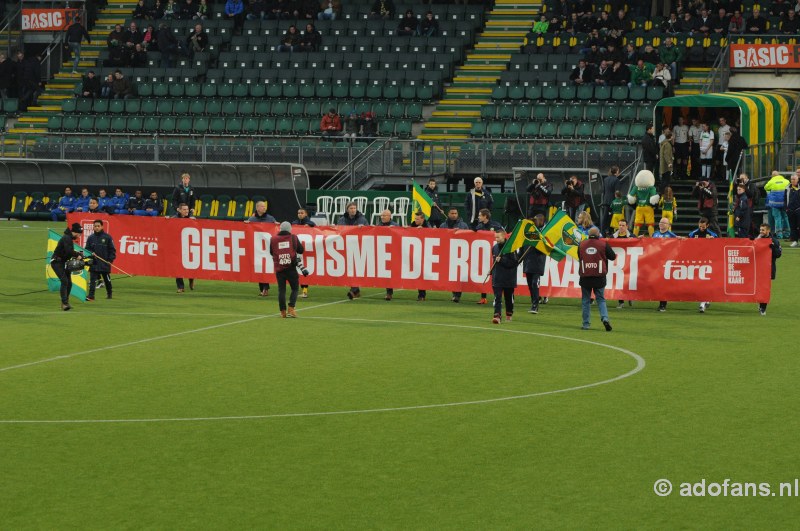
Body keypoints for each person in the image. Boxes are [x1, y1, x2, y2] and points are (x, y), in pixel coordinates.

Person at [578, 227, 615, 331]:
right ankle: (605, 318)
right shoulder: (603, 244)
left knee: (585, 300)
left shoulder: (581, 244)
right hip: (599, 277)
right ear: (598, 234)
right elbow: (613, 256)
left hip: (585, 277)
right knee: (601, 299)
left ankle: (586, 324)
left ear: (588, 235)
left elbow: (579, 257)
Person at [270, 221, 305, 318]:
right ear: (290, 229)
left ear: (280, 229)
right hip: (291, 268)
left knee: (281, 290)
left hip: (279, 268)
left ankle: (282, 312)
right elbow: (301, 250)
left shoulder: (273, 239)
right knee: (295, 289)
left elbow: (271, 252)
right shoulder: (293, 237)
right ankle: (291, 308)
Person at [246, 200, 277, 296]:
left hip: (267, 248)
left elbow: (275, 228)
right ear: (257, 208)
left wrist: (276, 224)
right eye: (262, 206)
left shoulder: (270, 218)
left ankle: (265, 288)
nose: (264, 208)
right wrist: (245, 225)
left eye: (265, 206)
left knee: (266, 267)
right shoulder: (252, 219)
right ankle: (262, 288)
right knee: (259, 267)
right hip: (256, 248)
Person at [338, 202, 368, 299]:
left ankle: (354, 290)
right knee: (350, 269)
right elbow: (338, 231)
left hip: (358, 247)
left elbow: (369, 231)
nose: (353, 210)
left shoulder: (362, 219)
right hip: (346, 247)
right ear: (347, 209)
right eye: (351, 208)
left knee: (355, 268)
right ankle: (356, 290)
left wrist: (363, 229)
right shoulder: (341, 220)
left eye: (354, 208)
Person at [50, 222, 84, 311]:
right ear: (76, 232)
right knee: (65, 281)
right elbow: (69, 251)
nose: (79, 236)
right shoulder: (67, 238)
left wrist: (78, 254)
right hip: (57, 262)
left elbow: (69, 252)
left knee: (69, 282)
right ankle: (64, 303)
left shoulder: (68, 238)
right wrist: (77, 255)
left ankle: (65, 302)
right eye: (79, 234)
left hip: (63, 262)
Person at [439, 207, 469, 302]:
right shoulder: (443, 225)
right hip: (447, 252)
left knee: (458, 274)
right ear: (448, 214)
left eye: (455, 213)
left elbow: (469, 237)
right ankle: (454, 293)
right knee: (450, 274)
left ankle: (457, 295)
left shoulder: (463, 225)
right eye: (452, 213)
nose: (454, 215)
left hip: (460, 254)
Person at [688, 217, 717, 313]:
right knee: (699, 283)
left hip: (709, 262)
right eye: (700, 226)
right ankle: (705, 301)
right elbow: (686, 245)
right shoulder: (693, 234)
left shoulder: (712, 235)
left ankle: (703, 303)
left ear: (707, 226)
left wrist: (714, 240)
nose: (701, 228)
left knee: (706, 283)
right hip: (696, 262)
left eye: (703, 227)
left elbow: (719, 244)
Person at [475, 208, 503, 304]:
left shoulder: (496, 225)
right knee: (484, 274)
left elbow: (504, 235)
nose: (478, 217)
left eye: (480, 215)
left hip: (495, 254)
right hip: (484, 255)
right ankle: (483, 297)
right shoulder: (479, 227)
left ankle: (497, 298)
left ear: (485, 216)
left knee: (496, 276)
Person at [490, 230, 518, 324]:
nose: (496, 239)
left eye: (498, 237)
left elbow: (514, 263)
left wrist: (502, 260)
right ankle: (497, 316)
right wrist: (491, 271)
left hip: (508, 278)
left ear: (503, 236)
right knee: (497, 297)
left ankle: (509, 314)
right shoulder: (494, 248)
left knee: (508, 298)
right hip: (497, 277)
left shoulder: (511, 248)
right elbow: (495, 262)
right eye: (495, 237)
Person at [85, 220, 116, 301]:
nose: (97, 228)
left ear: (102, 226)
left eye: (98, 226)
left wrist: (110, 260)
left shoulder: (108, 237)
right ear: (93, 227)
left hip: (105, 262)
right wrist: (91, 253)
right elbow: (87, 249)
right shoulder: (90, 238)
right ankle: (91, 296)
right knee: (92, 280)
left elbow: (112, 250)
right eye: (95, 226)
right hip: (94, 263)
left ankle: (109, 293)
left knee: (107, 280)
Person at [652, 217, 678, 311]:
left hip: (666, 263)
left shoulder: (671, 235)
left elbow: (678, 246)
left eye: (664, 223)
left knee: (663, 284)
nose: (661, 224)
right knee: (656, 283)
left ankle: (663, 304)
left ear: (668, 225)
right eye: (660, 222)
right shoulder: (655, 234)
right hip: (655, 262)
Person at [756, 223, 782, 316]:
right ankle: (760, 303)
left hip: (768, 269)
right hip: (757, 269)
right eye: (760, 229)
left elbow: (779, 254)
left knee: (764, 288)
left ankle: (763, 308)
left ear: (768, 231)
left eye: (763, 230)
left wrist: (773, 248)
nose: (761, 231)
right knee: (758, 288)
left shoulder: (774, 241)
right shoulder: (757, 239)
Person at [523, 214, 547, 314]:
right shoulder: (527, 233)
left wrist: (536, 245)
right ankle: (534, 300)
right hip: (528, 262)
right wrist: (519, 259)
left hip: (537, 263)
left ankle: (535, 305)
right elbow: (523, 247)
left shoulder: (542, 234)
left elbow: (544, 250)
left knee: (534, 283)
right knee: (530, 285)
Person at [375, 209, 398, 300]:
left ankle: (389, 293)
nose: (382, 217)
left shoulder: (395, 226)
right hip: (382, 252)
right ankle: (389, 293)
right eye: (382, 215)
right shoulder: (378, 225)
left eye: (384, 216)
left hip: (393, 252)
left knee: (391, 273)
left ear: (390, 216)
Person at [173, 203, 196, 292]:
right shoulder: (174, 218)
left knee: (190, 266)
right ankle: (180, 287)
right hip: (178, 246)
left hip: (189, 246)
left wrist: (194, 221)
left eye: (187, 209)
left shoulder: (191, 218)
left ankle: (191, 279)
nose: (186, 211)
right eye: (184, 209)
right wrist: (166, 220)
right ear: (179, 210)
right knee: (177, 266)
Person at [611, 219, 634, 308]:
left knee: (628, 282)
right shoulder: (613, 237)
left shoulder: (631, 236)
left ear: (627, 226)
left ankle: (630, 297)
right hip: (618, 264)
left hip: (629, 263)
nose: (621, 227)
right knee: (619, 282)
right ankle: (621, 302)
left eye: (623, 225)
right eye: (620, 225)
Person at [409, 211, 431, 301]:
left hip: (426, 253)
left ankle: (422, 295)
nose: (416, 220)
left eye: (417, 219)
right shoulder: (413, 225)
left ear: (422, 219)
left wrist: (424, 230)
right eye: (415, 218)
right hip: (416, 253)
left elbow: (434, 233)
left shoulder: (428, 225)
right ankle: (421, 294)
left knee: (422, 274)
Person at [764, 171, 791, 239]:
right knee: (785, 217)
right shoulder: (786, 181)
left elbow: (766, 188)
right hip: (784, 203)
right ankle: (787, 233)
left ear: (772, 176)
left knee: (777, 218)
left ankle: (779, 235)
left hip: (775, 204)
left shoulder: (771, 181)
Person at [786, 172, 800, 247]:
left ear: (797, 179)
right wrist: (786, 208)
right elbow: (785, 199)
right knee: (793, 226)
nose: (792, 180)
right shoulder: (788, 188)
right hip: (790, 210)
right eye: (791, 179)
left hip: (798, 209)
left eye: (794, 179)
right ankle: (795, 241)